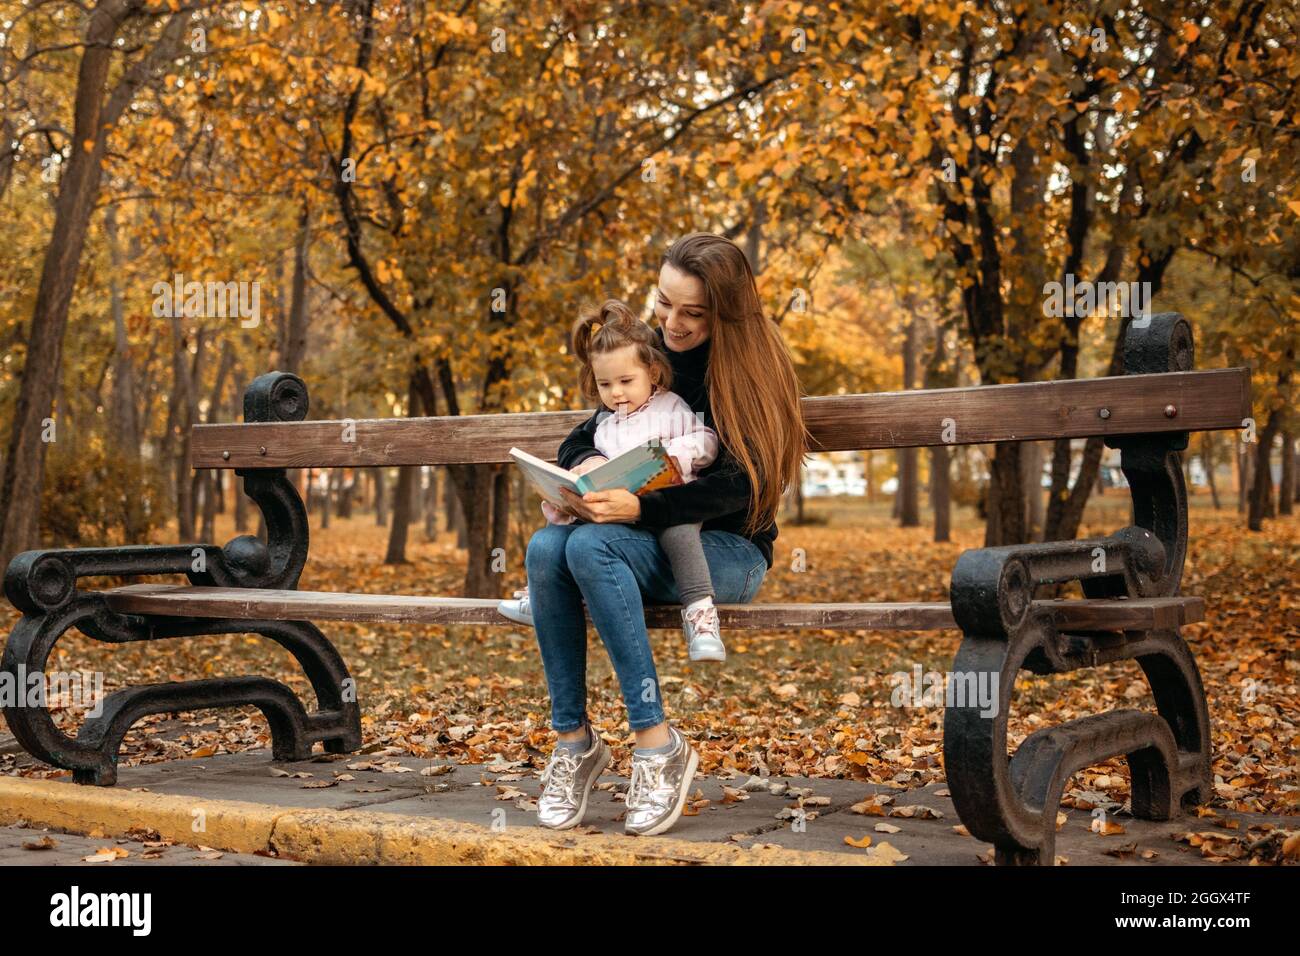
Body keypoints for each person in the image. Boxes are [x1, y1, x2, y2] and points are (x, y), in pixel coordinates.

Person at [501, 232, 807, 837]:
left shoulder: (748, 372)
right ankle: (574, 741)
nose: (672, 321)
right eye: (664, 301)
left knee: (590, 545)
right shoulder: (645, 349)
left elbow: (743, 487)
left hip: (725, 551)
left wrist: (641, 508)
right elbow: (589, 431)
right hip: (637, 541)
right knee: (544, 546)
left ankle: (656, 744)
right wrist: (584, 465)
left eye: (693, 312)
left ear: (727, 315)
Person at [499, 297, 729, 661]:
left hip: (666, 503)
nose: (616, 393)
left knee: (681, 532)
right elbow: (586, 452)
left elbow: (707, 440)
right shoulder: (606, 425)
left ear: (652, 373)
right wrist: (586, 470)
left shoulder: (671, 407)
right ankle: (543, 596)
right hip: (617, 514)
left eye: (626, 381)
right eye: (605, 384)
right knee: (562, 534)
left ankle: (701, 616)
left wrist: (673, 455)